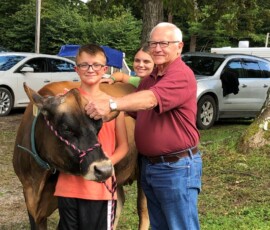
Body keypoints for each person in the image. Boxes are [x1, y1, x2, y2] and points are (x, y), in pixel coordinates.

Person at [85, 22, 202, 230]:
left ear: (179, 46)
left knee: (180, 226)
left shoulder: (181, 75)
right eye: (153, 43)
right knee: (159, 225)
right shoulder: (151, 77)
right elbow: (137, 109)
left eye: (164, 43)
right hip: (153, 166)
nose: (157, 48)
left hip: (176, 168)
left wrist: (112, 103)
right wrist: (94, 109)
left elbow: (150, 100)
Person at [54, 44, 129, 230]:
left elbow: (123, 147)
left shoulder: (114, 106)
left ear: (105, 70)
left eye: (96, 65)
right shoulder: (63, 102)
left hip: (100, 190)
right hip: (68, 186)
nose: (90, 69)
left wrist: (103, 165)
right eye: (84, 65)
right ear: (76, 69)